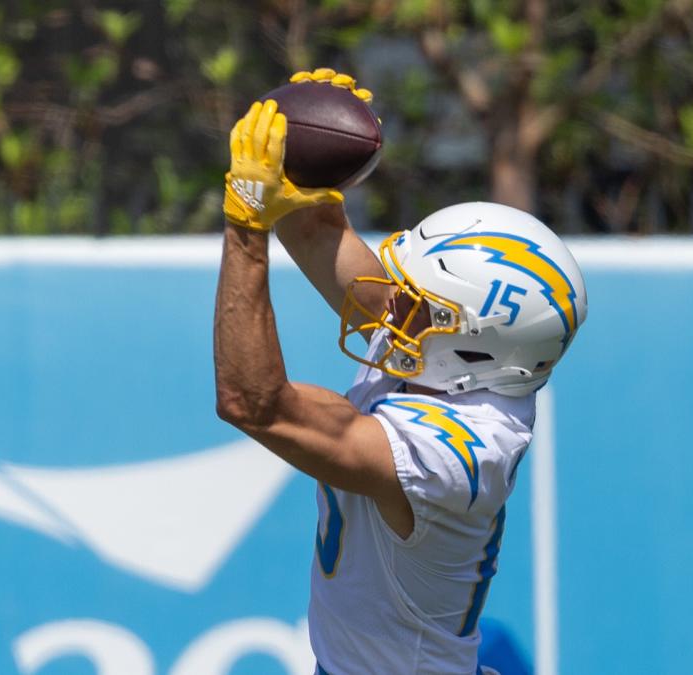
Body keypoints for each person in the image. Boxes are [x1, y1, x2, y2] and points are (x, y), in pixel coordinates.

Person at [213, 68, 587, 675]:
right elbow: (313, 230)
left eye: (418, 304)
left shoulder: (460, 453)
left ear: (470, 347)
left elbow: (254, 403)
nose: (393, 305)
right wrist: (305, 150)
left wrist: (245, 231)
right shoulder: (464, 358)